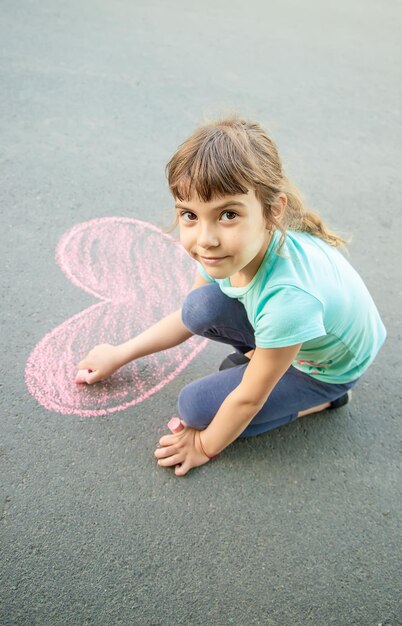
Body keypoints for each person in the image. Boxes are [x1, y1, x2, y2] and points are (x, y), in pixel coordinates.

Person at [77, 116, 386, 477]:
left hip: (329, 368)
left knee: (195, 408)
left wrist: (204, 446)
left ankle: (327, 400)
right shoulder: (227, 251)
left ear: (273, 211)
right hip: (309, 332)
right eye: (190, 215)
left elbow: (248, 399)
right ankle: (267, 357)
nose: (205, 238)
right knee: (200, 307)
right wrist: (120, 353)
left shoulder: (289, 299)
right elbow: (187, 317)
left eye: (227, 214)